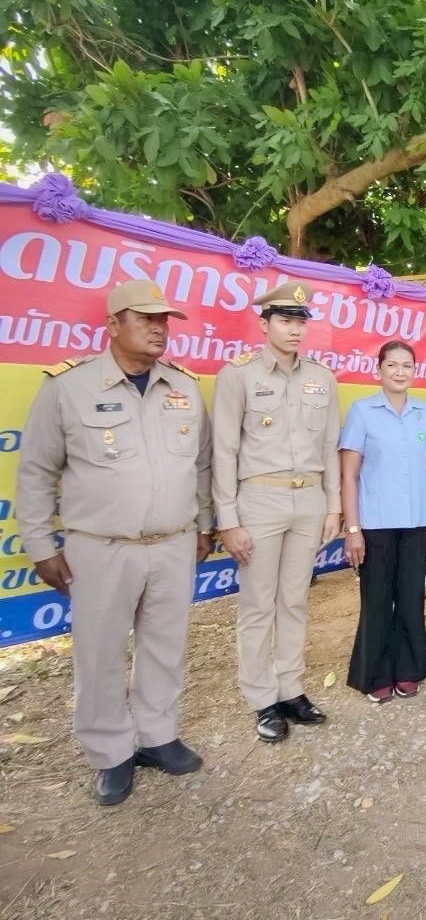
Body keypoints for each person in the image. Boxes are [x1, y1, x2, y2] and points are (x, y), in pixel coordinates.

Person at [16, 280, 213, 805]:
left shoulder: (184, 387)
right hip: (101, 547)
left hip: (173, 543)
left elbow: (201, 465)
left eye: (164, 320)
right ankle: (109, 753)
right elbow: (36, 471)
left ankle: (156, 735)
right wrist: (41, 545)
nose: (158, 328)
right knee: (99, 653)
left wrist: (205, 525)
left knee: (164, 647)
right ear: (112, 324)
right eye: (145, 318)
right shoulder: (69, 387)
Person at [212, 281, 340, 743]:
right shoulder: (240, 374)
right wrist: (227, 519)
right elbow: (224, 450)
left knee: (294, 600)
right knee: (257, 604)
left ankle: (291, 688)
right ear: (264, 323)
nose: (294, 329)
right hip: (259, 501)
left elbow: (329, 447)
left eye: (300, 321)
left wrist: (334, 506)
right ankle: (262, 698)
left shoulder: (321, 377)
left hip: (308, 500)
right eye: (285, 320)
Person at [338, 341, 426, 703]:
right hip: (376, 525)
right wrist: (353, 529)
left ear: (415, 371)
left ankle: (409, 669)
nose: (400, 372)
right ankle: (375, 675)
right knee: (378, 600)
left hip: (418, 523)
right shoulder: (362, 411)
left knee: (411, 599)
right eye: (392, 365)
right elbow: (349, 475)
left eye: (407, 366)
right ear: (379, 370)